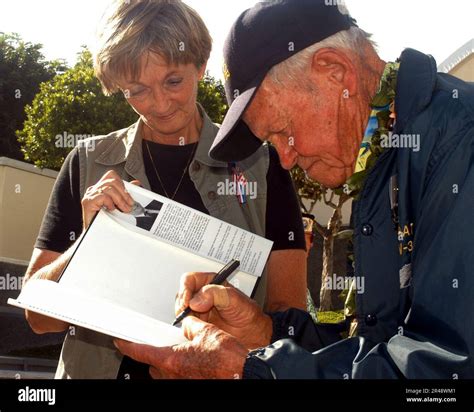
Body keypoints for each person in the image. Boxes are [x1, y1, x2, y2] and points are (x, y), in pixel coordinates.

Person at [115, 0, 474, 378]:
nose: (285, 159)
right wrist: (262, 331)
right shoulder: (388, 152)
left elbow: (441, 376)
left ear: (334, 72)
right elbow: (378, 350)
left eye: (282, 130)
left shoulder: (458, 140)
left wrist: (250, 371)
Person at [22, 0, 307, 379]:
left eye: (173, 81)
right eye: (137, 90)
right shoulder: (89, 162)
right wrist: (88, 242)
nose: (159, 105)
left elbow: (290, 319)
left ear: (201, 66)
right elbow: (38, 318)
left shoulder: (262, 165)